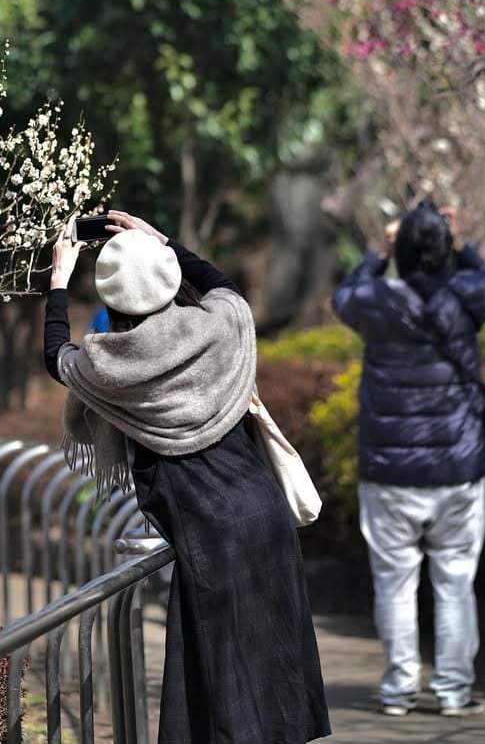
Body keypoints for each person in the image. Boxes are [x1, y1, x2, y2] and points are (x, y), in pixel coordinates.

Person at [43, 209, 330, 744]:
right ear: (171, 276)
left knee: (221, 680)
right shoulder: (219, 324)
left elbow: (54, 355)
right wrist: (162, 239)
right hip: (263, 513)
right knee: (275, 663)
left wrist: (59, 280)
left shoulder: (109, 363)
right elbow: (222, 286)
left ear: (111, 299)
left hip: (206, 527)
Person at [332, 200, 485, 718]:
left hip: (389, 474)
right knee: (455, 582)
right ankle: (453, 692)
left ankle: (398, 690)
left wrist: (381, 251)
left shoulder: (376, 301)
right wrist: (457, 242)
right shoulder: (467, 298)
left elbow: (344, 295)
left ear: (400, 252)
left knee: (395, 583)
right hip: (458, 470)